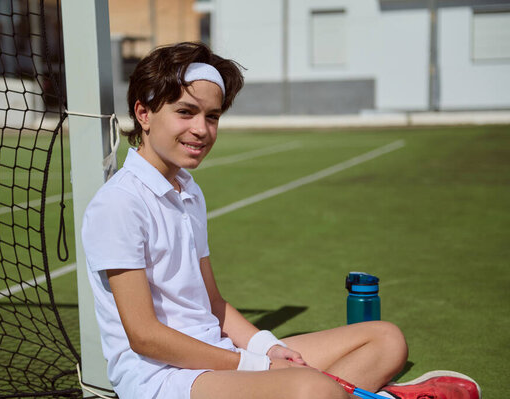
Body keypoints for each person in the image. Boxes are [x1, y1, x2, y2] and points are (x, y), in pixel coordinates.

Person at [81, 42, 481, 399]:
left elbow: (215, 306)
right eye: (186, 112)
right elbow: (145, 337)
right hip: (164, 379)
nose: (201, 129)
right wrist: (255, 367)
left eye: (213, 116)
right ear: (144, 114)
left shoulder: (189, 190)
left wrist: (268, 348)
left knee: (386, 339)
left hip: (221, 357)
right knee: (312, 390)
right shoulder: (120, 203)